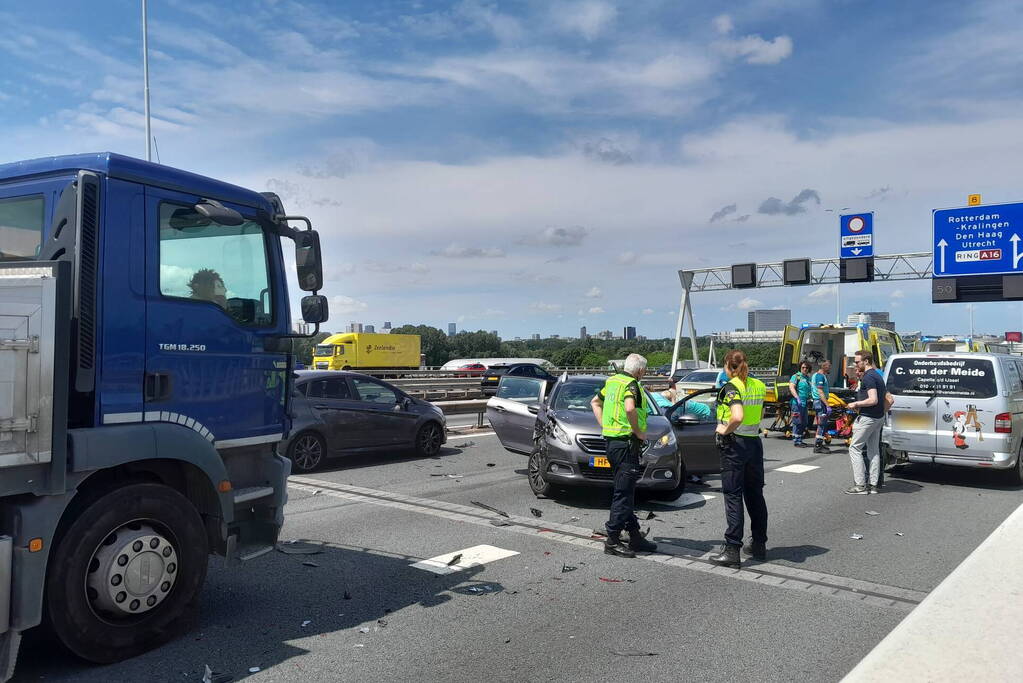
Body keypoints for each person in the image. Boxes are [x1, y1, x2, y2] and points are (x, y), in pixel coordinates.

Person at [591, 353, 658, 558]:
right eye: (644, 371)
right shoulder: (632, 385)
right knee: (624, 493)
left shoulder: (612, 382)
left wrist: (604, 425)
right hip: (627, 444)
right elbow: (630, 408)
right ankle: (612, 539)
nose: (644, 374)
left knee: (624, 489)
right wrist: (638, 432)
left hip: (612, 442)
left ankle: (635, 535)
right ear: (639, 370)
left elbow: (595, 402)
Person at [709, 350, 768, 568]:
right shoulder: (759, 385)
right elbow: (759, 415)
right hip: (754, 443)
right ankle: (759, 545)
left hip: (735, 445)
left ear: (727, 366)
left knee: (733, 496)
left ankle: (732, 549)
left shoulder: (731, 387)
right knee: (755, 496)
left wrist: (724, 430)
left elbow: (737, 416)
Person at [844, 350, 888, 494]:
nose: (855, 364)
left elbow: (873, 399)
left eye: (857, 362)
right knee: (873, 451)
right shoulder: (877, 376)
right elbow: (888, 398)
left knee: (854, 448)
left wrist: (856, 404)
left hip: (868, 417)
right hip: (878, 417)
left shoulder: (868, 377)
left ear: (866, 361)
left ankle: (860, 485)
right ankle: (873, 485)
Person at [788, 360, 813, 448]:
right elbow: (791, 387)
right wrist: (797, 397)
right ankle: (796, 441)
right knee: (797, 422)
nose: (805, 369)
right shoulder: (796, 377)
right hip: (797, 403)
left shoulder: (807, 378)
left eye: (807, 368)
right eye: (803, 367)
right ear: (800, 368)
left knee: (804, 422)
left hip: (805, 402)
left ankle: (800, 438)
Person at [811, 359, 832, 454]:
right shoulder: (820, 376)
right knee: (822, 424)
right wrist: (827, 405)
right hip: (820, 402)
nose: (830, 367)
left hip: (818, 402)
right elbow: (820, 391)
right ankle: (818, 446)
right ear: (823, 366)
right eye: (828, 365)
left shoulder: (817, 375)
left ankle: (819, 444)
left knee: (822, 423)